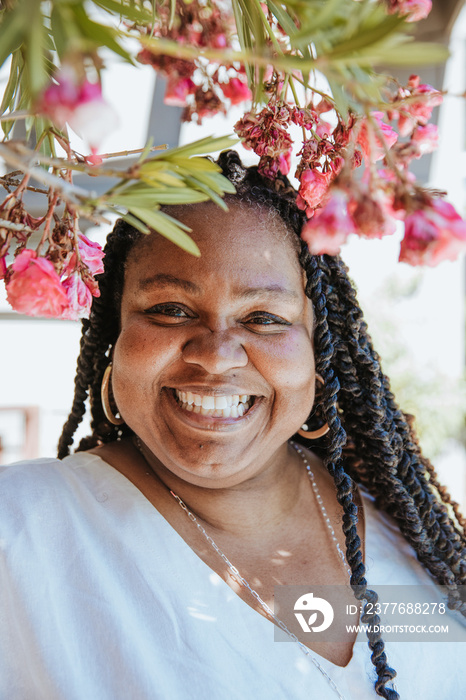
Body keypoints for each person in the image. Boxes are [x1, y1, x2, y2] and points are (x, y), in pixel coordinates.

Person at [1, 151, 465, 700]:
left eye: (264, 318)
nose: (217, 357)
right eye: (171, 309)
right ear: (113, 337)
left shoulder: (399, 528)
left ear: (320, 358)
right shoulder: (21, 531)